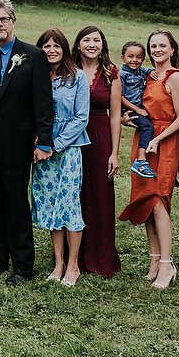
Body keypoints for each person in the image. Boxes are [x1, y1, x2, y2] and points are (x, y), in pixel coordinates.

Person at [0, 0, 53, 285]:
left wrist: (44, 141)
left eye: (4, 19)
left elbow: (43, 103)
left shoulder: (32, 55)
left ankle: (22, 266)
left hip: (17, 144)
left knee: (16, 204)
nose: (0, 24)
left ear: (13, 22)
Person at [118, 29, 179, 290]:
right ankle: (154, 260)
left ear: (172, 49)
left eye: (162, 45)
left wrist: (158, 140)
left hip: (165, 142)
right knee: (146, 201)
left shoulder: (177, 78)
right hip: (143, 142)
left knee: (158, 200)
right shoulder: (148, 76)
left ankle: (167, 264)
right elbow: (140, 110)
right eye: (153, 46)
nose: (157, 49)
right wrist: (128, 120)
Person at [32, 29, 89, 287]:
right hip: (41, 151)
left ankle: (74, 264)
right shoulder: (37, 76)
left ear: (65, 49)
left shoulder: (77, 78)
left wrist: (55, 143)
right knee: (50, 205)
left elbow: (81, 118)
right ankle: (59, 262)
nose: (51, 50)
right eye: (46, 46)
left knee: (69, 205)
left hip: (67, 150)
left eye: (56, 46)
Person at [72, 25, 122, 278]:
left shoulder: (111, 73)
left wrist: (114, 152)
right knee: (74, 195)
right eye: (87, 39)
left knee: (100, 197)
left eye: (97, 40)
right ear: (78, 43)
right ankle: (75, 257)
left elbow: (115, 116)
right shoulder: (68, 68)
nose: (92, 44)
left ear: (103, 45)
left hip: (100, 136)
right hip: (72, 138)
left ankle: (100, 257)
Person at [119, 41, 159, 179]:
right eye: (130, 56)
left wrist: (154, 72)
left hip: (139, 108)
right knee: (147, 126)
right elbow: (121, 97)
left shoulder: (141, 71)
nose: (134, 60)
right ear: (123, 57)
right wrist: (138, 110)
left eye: (139, 57)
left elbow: (152, 71)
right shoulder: (122, 74)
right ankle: (141, 161)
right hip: (128, 110)